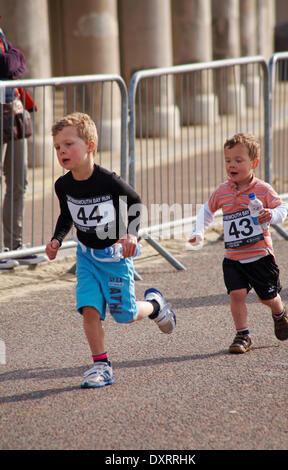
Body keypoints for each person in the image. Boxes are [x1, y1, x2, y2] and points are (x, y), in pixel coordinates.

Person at [46, 112, 176, 388]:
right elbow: (66, 215)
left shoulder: (108, 181)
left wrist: (131, 233)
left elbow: (136, 204)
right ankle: (101, 366)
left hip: (114, 257)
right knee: (89, 310)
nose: (62, 151)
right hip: (86, 258)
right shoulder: (63, 185)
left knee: (125, 315)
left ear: (90, 145)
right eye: (58, 147)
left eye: (69, 144)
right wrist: (57, 239)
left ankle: (155, 306)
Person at [189, 133, 288, 354]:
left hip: (260, 257)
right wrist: (198, 232)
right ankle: (243, 335)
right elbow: (207, 210)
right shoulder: (223, 191)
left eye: (238, 160)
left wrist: (270, 215)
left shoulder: (263, 189)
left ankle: (279, 312)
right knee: (236, 294)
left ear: (253, 163)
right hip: (233, 258)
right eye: (228, 161)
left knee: (268, 298)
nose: (231, 165)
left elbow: (283, 209)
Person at [0, 22, 45, 268]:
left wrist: (12, 59)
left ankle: (15, 245)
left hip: (12, 112)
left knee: (19, 181)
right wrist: (12, 60)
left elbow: (16, 60)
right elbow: (8, 64)